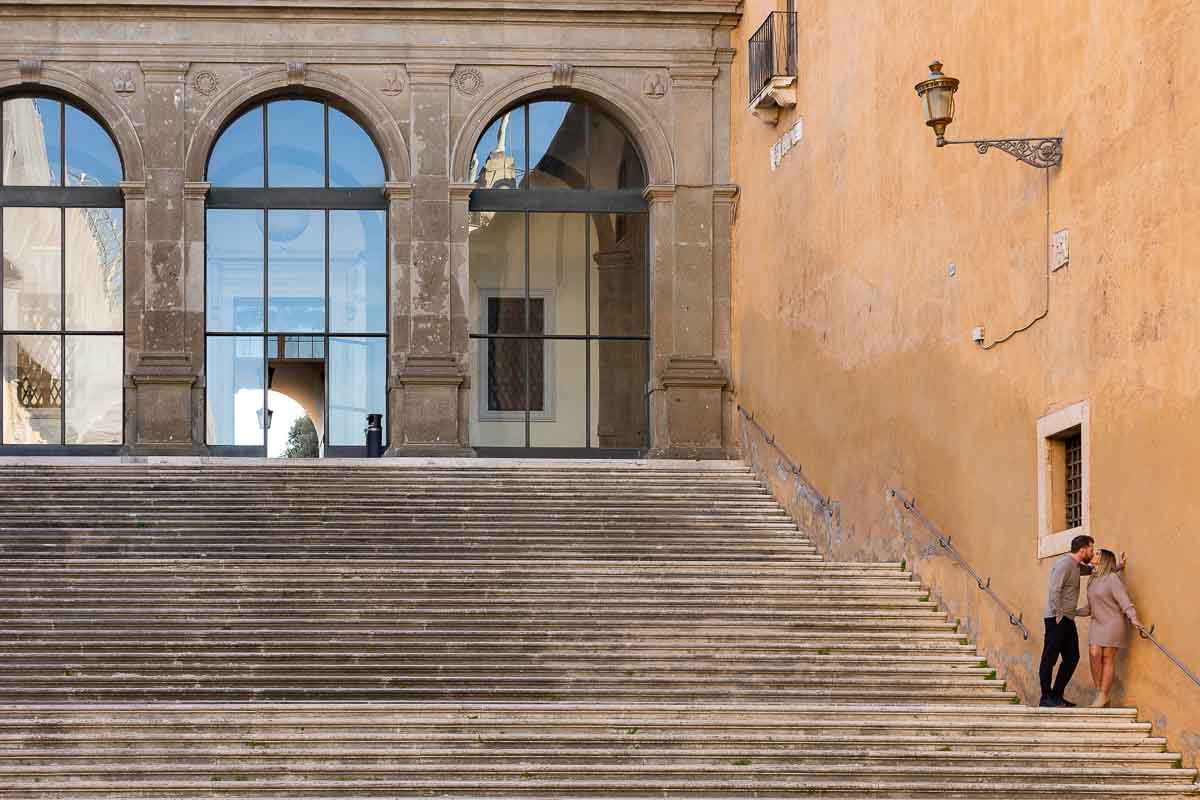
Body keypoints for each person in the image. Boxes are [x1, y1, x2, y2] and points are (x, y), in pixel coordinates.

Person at [1038, 534, 1126, 707]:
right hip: (1056, 617)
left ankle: (1057, 695)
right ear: (1083, 549)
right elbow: (1055, 589)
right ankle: (1046, 696)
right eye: (1091, 549)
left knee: (1072, 657)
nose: (1093, 553)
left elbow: (1099, 569)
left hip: (1067, 618)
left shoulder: (1077, 566)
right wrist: (1057, 613)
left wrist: (1118, 566)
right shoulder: (1065, 564)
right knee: (1050, 657)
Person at [1080, 549, 1143, 707]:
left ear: (1104, 559)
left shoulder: (1112, 578)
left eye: (1096, 554)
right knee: (1094, 653)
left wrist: (1134, 618)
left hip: (1112, 623)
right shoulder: (1092, 580)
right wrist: (1071, 611)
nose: (1092, 554)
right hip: (1097, 623)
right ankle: (1100, 692)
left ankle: (1102, 695)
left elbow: (1124, 601)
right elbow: (1090, 608)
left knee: (1107, 658)